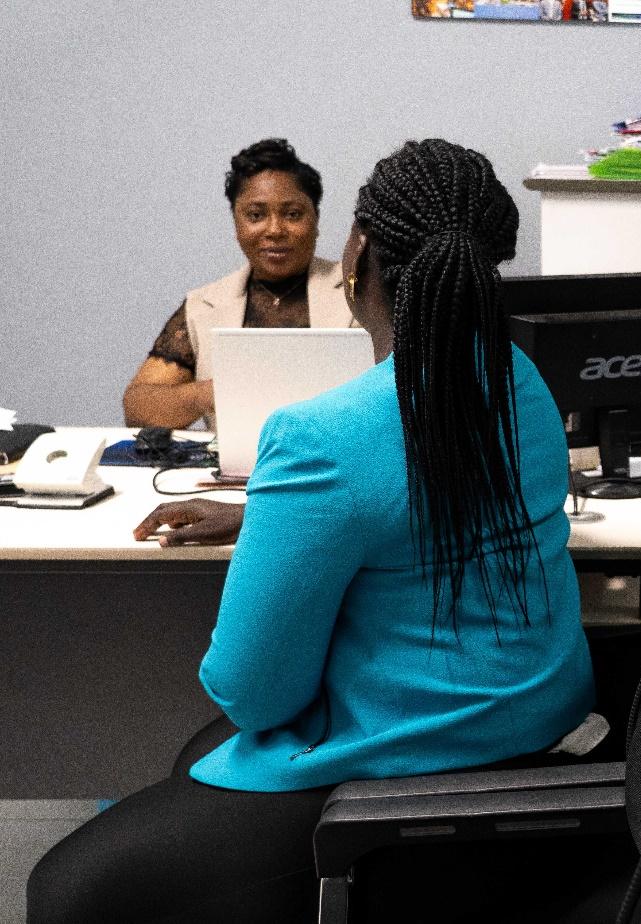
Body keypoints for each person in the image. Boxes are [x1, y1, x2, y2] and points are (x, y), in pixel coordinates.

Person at [29, 140, 596, 922]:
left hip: (406, 773)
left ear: (355, 253)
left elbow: (255, 695)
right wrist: (278, 513)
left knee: (65, 890)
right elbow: (423, 507)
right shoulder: (521, 382)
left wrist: (295, 508)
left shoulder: (321, 436)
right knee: (197, 756)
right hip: (528, 731)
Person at [123, 138, 354, 430]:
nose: (275, 230)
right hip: (236, 459)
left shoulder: (360, 289)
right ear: (236, 223)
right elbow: (138, 407)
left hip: (339, 454)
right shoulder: (205, 304)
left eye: (293, 214)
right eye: (256, 215)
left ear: (316, 219)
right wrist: (213, 393)